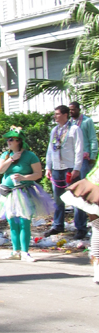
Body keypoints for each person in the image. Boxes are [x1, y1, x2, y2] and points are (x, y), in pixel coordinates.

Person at [0, 127, 54, 262]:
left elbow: (38, 174)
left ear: (19, 141)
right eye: (8, 139)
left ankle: (25, 252)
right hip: (8, 193)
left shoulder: (30, 156)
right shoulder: (6, 155)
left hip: (24, 192)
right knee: (12, 222)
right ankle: (15, 251)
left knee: (24, 221)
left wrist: (24, 177)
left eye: (11, 139)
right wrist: (11, 159)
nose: (8, 141)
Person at [45, 105, 84, 237]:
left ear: (65, 114)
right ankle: (58, 225)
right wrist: (48, 167)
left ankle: (80, 227)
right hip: (56, 168)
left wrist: (77, 168)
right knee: (58, 199)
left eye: (57, 114)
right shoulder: (54, 130)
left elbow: (79, 149)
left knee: (75, 199)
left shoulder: (74, 129)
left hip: (69, 168)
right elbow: (50, 150)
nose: (55, 116)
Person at [68, 101, 98, 239]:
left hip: (85, 160)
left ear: (79, 109)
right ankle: (79, 225)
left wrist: (92, 155)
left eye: (73, 110)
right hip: (73, 161)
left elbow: (92, 139)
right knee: (75, 195)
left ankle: (89, 224)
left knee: (85, 194)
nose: (71, 112)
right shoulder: (69, 124)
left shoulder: (87, 121)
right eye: (69, 110)